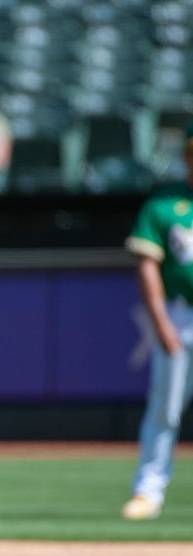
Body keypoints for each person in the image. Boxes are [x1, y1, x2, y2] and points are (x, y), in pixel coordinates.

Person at [121, 122, 193, 521]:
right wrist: (161, 321)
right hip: (182, 314)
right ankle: (149, 490)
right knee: (166, 407)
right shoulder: (166, 205)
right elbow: (148, 266)